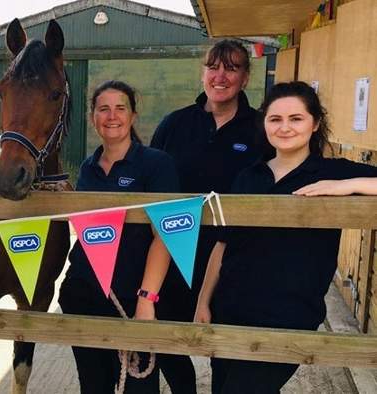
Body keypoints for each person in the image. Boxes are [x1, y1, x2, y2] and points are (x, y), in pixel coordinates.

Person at [194, 81, 377, 393]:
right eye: (275, 119)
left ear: (315, 122)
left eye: (296, 119)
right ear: (264, 123)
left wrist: (345, 186)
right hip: (232, 309)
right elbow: (222, 245)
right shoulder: (248, 176)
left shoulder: (331, 172)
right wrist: (203, 302)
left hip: (288, 316)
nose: (285, 128)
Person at [150, 39, 261, 393]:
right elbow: (147, 179)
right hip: (175, 254)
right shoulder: (175, 124)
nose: (221, 76)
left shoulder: (261, 130)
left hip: (235, 261)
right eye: (213, 66)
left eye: (232, 68)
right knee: (168, 337)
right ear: (203, 74)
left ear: (245, 78)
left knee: (225, 348)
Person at [58, 80, 180, 393]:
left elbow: (165, 236)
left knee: (139, 386)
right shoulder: (87, 167)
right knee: (93, 385)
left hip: (132, 294)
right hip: (85, 293)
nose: (112, 116)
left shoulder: (156, 164)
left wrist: (147, 299)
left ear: (133, 116)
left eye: (120, 108)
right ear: (93, 118)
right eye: (103, 109)